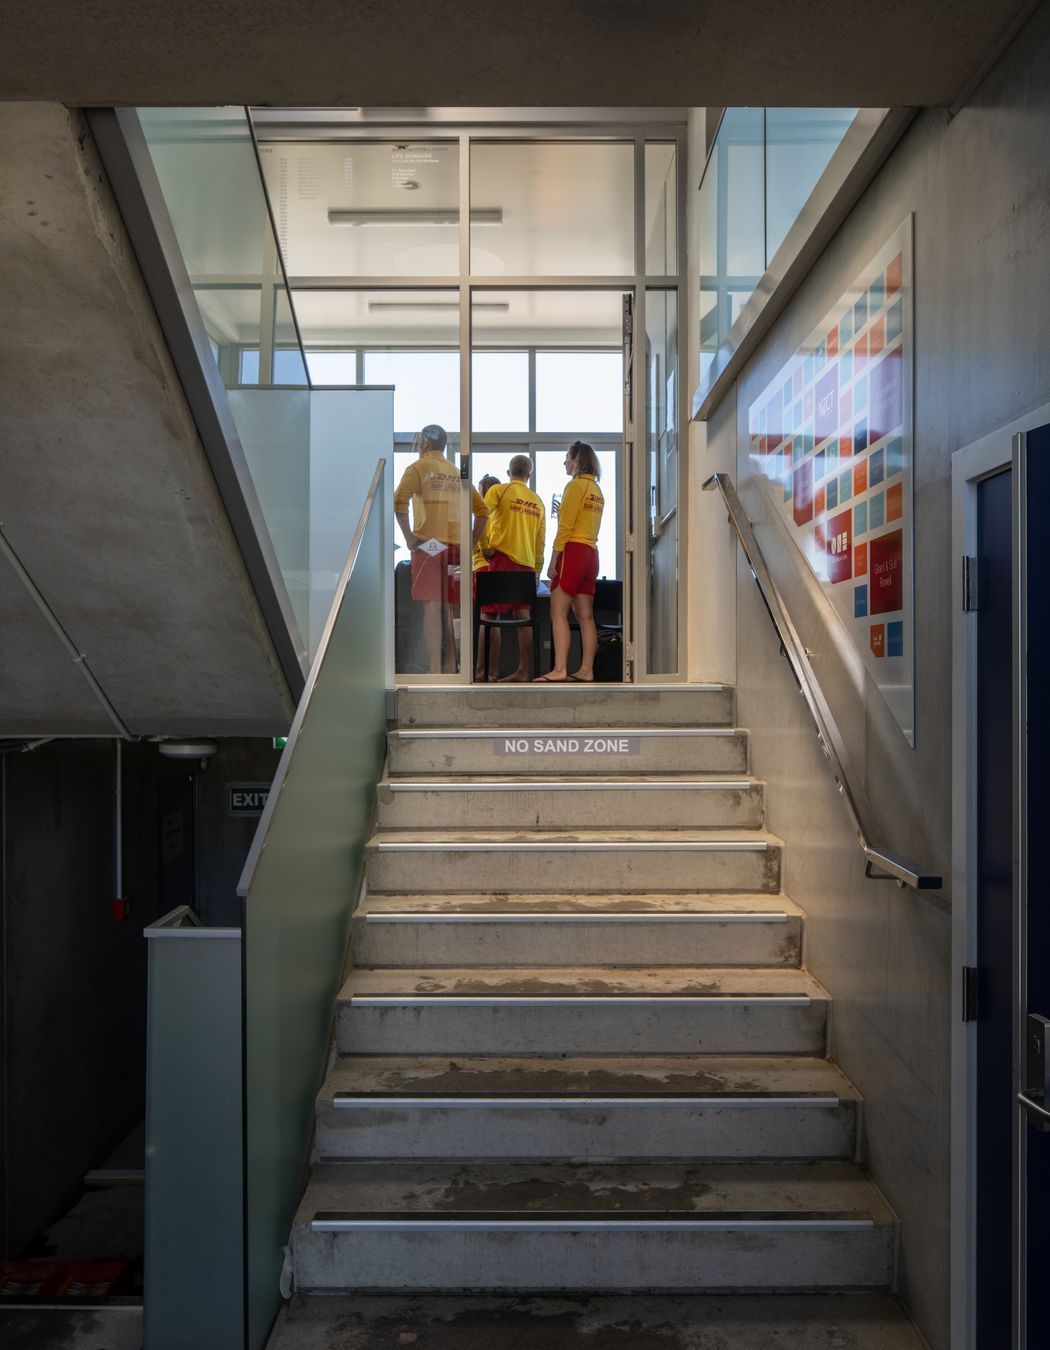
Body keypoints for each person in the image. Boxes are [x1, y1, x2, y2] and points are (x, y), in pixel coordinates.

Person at [393, 424, 488, 674]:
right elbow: (483, 512)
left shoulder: (418, 468)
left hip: (431, 546)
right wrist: (471, 543)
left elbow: (398, 500)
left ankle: (435, 667)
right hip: (456, 547)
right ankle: (454, 666)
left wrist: (409, 538)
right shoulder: (458, 472)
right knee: (455, 607)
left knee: (432, 606)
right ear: (444, 446)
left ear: (424, 443)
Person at [535, 440, 604, 683]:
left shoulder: (574, 487)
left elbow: (565, 528)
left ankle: (560, 669)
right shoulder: (597, 491)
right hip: (591, 553)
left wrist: (553, 560)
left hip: (573, 551)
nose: (565, 462)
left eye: (568, 457)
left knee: (557, 612)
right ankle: (587, 670)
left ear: (577, 460)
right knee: (585, 616)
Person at [476, 455, 546, 682]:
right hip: (526, 564)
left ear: (508, 472)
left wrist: (484, 546)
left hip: (502, 560)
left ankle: (482, 673)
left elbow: (482, 516)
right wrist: (536, 571)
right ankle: (524, 671)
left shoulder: (498, 491)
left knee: (489, 614)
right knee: (523, 617)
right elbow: (540, 542)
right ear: (529, 475)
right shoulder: (537, 501)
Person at [472, 474, 501, 680]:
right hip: (493, 570)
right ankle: (490, 672)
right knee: (494, 621)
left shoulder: (483, 515)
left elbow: (483, 545)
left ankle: (483, 672)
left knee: (487, 621)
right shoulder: (499, 517)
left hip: (482, 569)